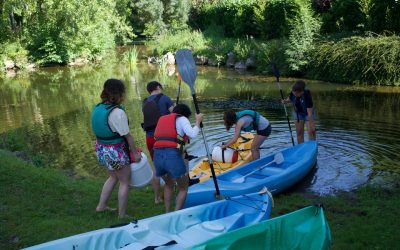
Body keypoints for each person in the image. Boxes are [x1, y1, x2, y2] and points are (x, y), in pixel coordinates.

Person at [92, 78, 141, 218]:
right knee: (125, 182)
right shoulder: (117, 113)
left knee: (113, 177)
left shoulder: (98, 108)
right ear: (120, 94)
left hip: (102, 150)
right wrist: (135, 154)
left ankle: (101, 206)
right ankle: (122, 215)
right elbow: (128, 136)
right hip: (115, 152)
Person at [152, 104, 203, 212]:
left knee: (169, 184)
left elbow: (158, 137)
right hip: (172, 156)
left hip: (157, 155)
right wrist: (198, 121)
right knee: (183, 188)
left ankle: (167, 212)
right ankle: (176, 214)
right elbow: (193, 134)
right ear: (185, 114)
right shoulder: (182, 119)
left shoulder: (162, 119)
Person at [142, 81, 174, 204]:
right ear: (158, 87)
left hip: (149, 138)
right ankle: (170, 189)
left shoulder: (145, 102)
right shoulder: (165, 98)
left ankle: (157, 198)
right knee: (169, 164)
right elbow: (175, 114)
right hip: (163, 138)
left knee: (156, 167)